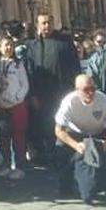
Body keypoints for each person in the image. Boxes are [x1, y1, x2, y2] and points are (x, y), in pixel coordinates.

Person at [54, 74, 106, 204]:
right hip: (76, 134)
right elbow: (58, 130)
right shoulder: (69, 102)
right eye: (85, 89)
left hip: (99, 133)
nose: (90, 93)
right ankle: (65, 185)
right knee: (60, 146)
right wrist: (76, 145)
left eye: (93, 89)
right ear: (77, 90)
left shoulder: (103, 100)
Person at [25, 12, 81, 164]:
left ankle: (62, 157)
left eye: (49, 22)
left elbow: (75, 67)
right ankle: (44, 156)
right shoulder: (32, 45)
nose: (46, 26)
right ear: (37, 25)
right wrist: (33, 95)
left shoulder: (65, 42)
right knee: (42, 126)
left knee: (61, 125)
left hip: (62, 93)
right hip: (41, 94)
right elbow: (29, 71)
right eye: (43, 23)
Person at [0, 35, 29, 179]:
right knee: (4, 137)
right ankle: (6, 164)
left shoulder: (18, 64)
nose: (8, 48)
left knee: (18, 136)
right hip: (1, 106)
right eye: (5, 45)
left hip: (16, 106)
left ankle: (20, 165)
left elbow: (25, 84)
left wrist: (17, 97)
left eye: (10, 45)